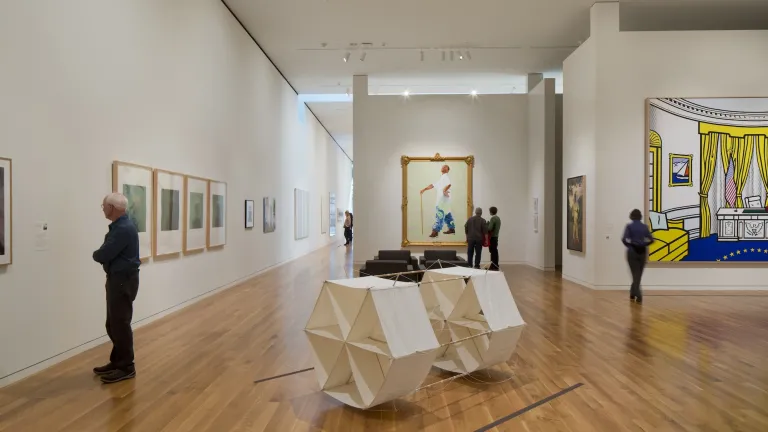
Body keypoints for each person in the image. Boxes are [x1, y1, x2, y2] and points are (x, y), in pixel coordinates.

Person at [92, 193, 141, 383]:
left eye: (104, 205)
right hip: (119, 279)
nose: (103, 208)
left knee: (120, 324)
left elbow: (103, 254)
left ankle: (127, 367)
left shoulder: (122, 229)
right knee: (113, 324)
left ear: (112, 208)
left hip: (122, 281)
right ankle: (118, 361)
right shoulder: (121, 227)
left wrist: (98, 254)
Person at [622, 209, 653, 304]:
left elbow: (624, 239)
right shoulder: (644, 227)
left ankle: (637, 294)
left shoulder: (629, 226)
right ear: (640, 216)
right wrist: (643, 244)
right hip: (642, 252)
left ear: (631, 216)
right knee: (638, 274)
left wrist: (630, 245)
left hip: (632, 252)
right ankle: (633, 293)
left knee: (635, 274)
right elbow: (651, 239)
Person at [420, 164, 454, 238]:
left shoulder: (445, 176)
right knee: (447, 215)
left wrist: (444, 190)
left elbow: (449, 184)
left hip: (442, 201)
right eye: (442, 166)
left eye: (445, 167)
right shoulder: (441, 178)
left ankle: (435, 231)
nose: (443, 167)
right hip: (444, 200)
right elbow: (432, 185)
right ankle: (451, 228)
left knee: (440, 215)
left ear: (448, 170)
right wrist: (424, 189)